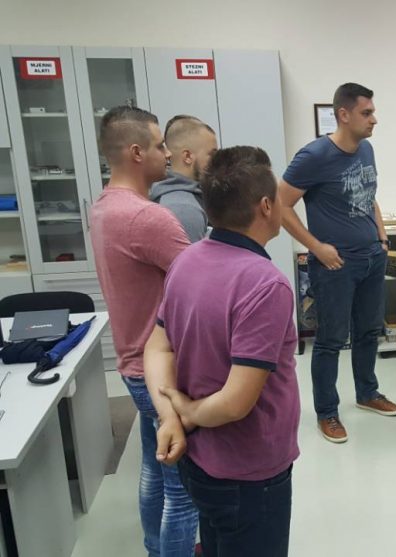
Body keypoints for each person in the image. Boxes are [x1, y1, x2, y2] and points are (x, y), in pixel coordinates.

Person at [145, 146, 301, 557]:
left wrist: (171, 418)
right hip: (248, 474)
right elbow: (235, 403)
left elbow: (157, 348)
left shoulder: (187, 260)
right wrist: (186, 413)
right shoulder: (265, 284)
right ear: (266, 206)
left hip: (200, 462)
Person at [89, 106, 198, 556]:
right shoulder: (147, 218)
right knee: (183, 491)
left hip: (133, 363)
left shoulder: (104, 206)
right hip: (160, 370)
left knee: (156, 469)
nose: (167, 154)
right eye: (159, 146)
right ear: (136, 152)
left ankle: (156, 548)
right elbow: (202, 282)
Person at [278, 82, 396, 444]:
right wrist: (316, 247)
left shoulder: (367, 149)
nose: (374, 119)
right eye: (367, 113)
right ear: (343, 115)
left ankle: (367, 393)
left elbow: (369, 195)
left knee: (368, 332)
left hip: (372, 258)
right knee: (331, 340)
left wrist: (381, 238)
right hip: (335, 265)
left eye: (373, 112)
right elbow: (281, 205)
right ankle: (327, 412)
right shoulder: (314, 155)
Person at [150, 115, 218, 242]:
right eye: (212, 155)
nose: (217, 161)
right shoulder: (184, 209)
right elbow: (190, 256)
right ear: (187, 157)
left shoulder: (186, 199)